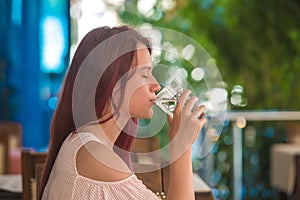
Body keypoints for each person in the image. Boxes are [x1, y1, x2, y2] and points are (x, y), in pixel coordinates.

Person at [39, 25, 206, 200]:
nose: (156, 86)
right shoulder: (95, 156)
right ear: (113, 82)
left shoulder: (82, 143)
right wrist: (182, 147)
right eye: (145, 74)